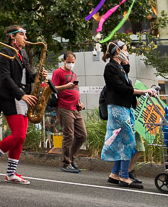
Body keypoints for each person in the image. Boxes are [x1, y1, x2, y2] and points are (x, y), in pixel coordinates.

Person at [0, 25, 45, 184]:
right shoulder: (5, 53)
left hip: (23, 97)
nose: (25, 37)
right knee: (18, 135)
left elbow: (28, 76)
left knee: (21, 138)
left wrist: (39, 75)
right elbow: (5, 78)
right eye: (22, 34)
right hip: (11, 98)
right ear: (12, 36)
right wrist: (21, 95)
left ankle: (11, 173)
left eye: (25, 34)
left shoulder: (22, 53)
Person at [100, 40, 153, 189]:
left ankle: (115, 174)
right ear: (118, 51)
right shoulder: (110, 67)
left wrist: (126, 64)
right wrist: (143, 92)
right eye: (125, 49)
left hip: (124, 107)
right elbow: (121, 88)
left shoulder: (119, 67)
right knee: (128, 140)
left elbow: (125, 82)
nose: (127, 52)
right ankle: (124, 176)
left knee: (121, 141)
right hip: (117, 108)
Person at [52, 51, 87, 173]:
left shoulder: (73, 74)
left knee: (82, 135)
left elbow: (75, 90)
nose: (71, 64)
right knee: (69, 135)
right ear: (64, 61)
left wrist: (80, 102)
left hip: (75, 108)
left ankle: (72, 159)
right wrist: (67, 86)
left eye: (73, 62)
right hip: (64, 107)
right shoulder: (58, 72)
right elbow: (53, 88)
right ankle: (66, 163)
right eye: (68, 62)